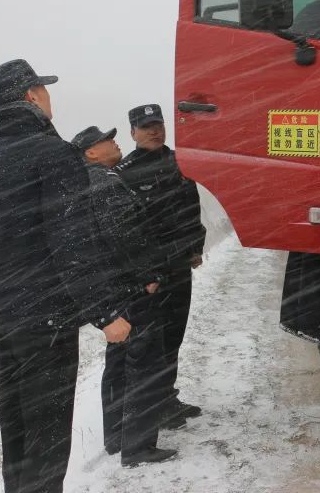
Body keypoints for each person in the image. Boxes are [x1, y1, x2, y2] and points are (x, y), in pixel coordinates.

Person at [0, 59, 131, 493]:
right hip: (46, 320)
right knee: (47, 436)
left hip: (5, 318)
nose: (49, 97)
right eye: (45, 90)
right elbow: (72, 241)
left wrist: (8, 280)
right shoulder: (54, 155)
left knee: (16, 430)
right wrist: (105, 312)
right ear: (32, 97)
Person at [71, 125, 176, 467]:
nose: (115, 142)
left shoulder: (86, 182)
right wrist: (148, 275)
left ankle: (117, 436)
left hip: (112, 287)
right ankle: (139, 446)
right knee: (145, 365)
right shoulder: (105, 183)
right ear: (91, 152)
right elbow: (125, 235)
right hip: (130, 287)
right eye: (106, 140)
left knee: (118, 363)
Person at [115, 104, 207, 427]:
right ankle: (149, 408)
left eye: (158, 124)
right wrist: (145, 270)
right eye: (145, 126)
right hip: (151, 274)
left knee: (175, 334)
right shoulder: (125, 172)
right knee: (153, 341)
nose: (154, 131)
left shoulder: (179, 162)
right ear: (132, 133)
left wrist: (196, 247)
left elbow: (190, 207)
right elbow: (128, 230)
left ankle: (166, 399)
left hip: (180, 265)